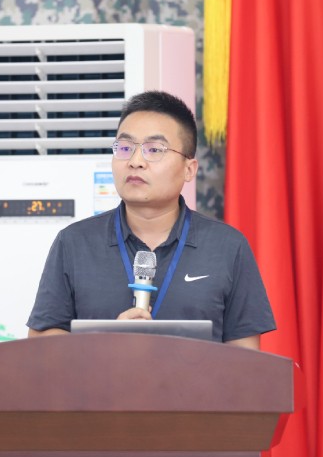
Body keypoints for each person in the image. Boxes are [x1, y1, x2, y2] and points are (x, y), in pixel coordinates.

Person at [27, 90, 275, 349]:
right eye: (125, 148)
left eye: (154, 149)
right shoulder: (74, 243)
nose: (135, 162)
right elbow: (40, 342)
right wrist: (104, 344)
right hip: (101, 378)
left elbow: (246, 355)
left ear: (189, 169)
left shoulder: (228, 247)